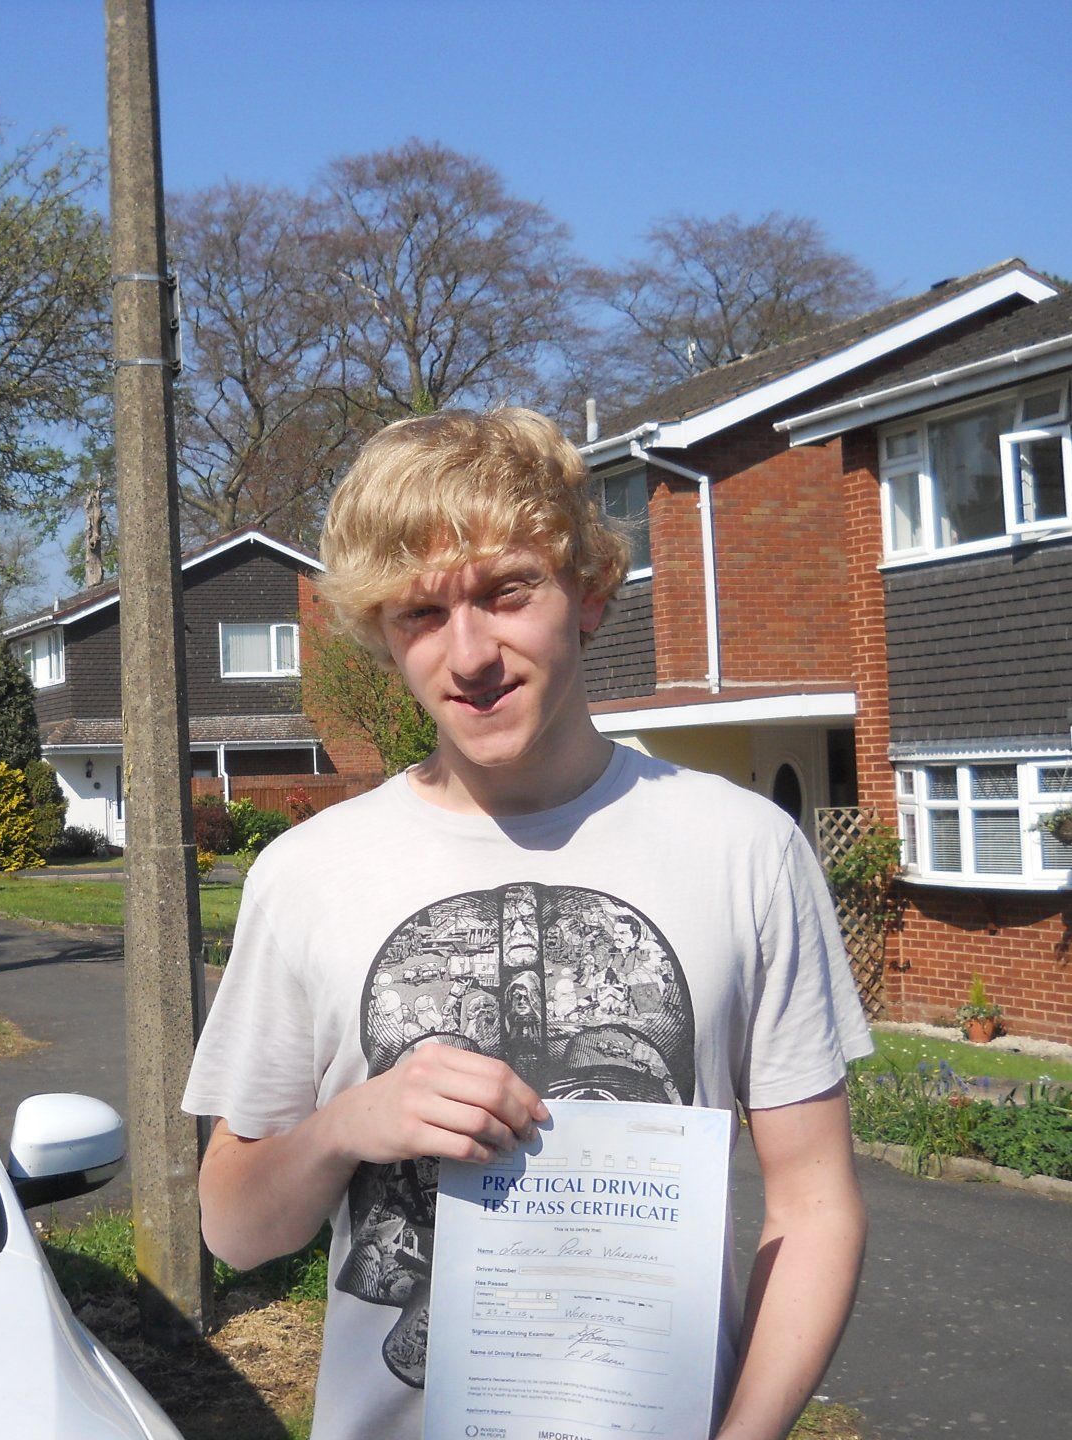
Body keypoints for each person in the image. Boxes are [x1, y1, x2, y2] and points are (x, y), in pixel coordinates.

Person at [181, 407, 873, 1440]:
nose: (469, 654)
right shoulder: (308, 875)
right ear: (381, 634)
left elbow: (815, 1205)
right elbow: (235, 1230)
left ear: (586, 593)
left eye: (507, 592)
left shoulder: (745, 852)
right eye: (421, 613)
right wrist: (346, 1126)